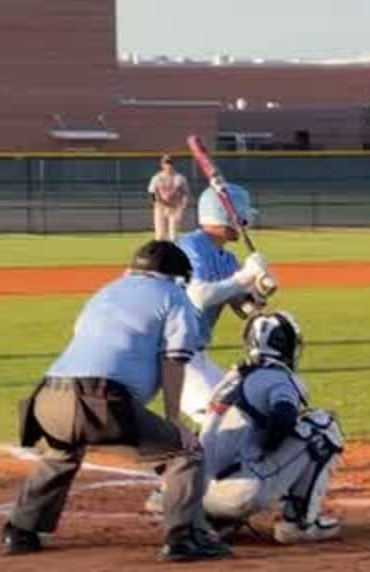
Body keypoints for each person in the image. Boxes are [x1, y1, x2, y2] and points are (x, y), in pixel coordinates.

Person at [1, 240, 232, 563]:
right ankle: (184, 537)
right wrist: (173, 421)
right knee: (184, 451)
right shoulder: (173, 296)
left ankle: (20, 531)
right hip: (99, 399)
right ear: (176, 277)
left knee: (63, 450)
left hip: (47, 397)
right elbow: (174, 360)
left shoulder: (106, 291)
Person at [200, 310, 345, 545]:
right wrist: (270, 448)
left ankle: (218, 521)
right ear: (285, 345)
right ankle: (299, 524)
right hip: (239, 495)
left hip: (199, 496)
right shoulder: (278, 377)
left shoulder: (231, 377)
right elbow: (284, 417)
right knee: (323, 426)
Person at [175, 182, 277, 424]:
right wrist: (244, 276)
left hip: (195, 354)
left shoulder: (227, 258)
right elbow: (199, 296)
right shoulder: (189, 245)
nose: (246, 224)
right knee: (224, 419)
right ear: (227, 216)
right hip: (171, 355)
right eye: (243, 217)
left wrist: (259, 291)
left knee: (247, 404)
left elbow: (244, 309)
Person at [146, 155, 190, 241]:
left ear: (173, 164)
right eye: (166, 163)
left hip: (174, 208)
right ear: (162, 165)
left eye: (170, 163)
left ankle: (173, 253)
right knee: (160, 236)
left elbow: (185, 193)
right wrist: (156, 203)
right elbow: (152, 192)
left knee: (173, 236)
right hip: (161, 208)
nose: (169, 165)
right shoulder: (157, 178)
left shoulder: (180, 178)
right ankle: (162, 253)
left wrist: (182, 207)